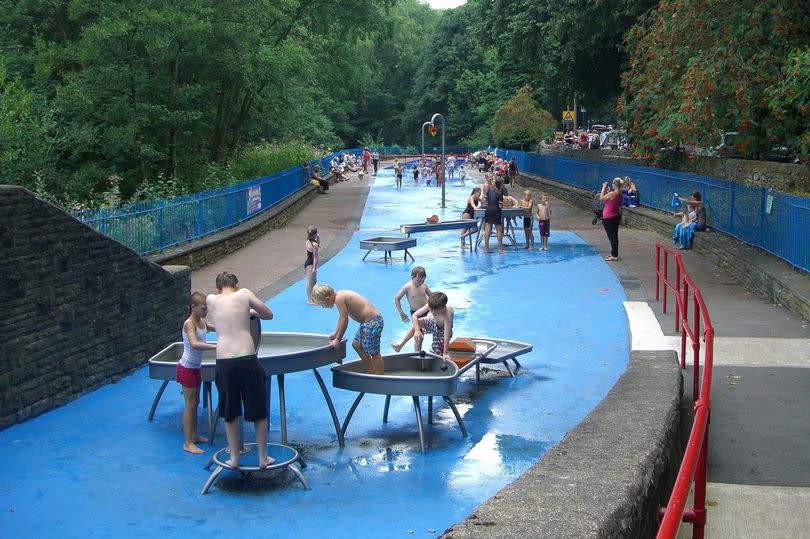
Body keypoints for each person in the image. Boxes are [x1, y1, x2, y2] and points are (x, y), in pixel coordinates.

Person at [206, 272, 274, 468]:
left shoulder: (211, 300)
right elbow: (268, 314)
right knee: (258, 410)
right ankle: (262, 458)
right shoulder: (244, 294)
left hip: (224, 361)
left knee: (230, 410)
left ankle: (234, 457)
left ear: (218, 288)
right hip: (247, 359)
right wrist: (251, 312)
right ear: (236, 284)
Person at [310, 285, 385, 375]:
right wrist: (335, 333)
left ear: (328, 298)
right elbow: (341, 318)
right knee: (356, 344)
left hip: (372, 322)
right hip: (367, 323)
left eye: (322, 304)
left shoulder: (339, 298)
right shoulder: (339, 296)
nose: (323, 307)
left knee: (374, 352)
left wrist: (338, 339)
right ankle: (371, 369)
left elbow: (345, 320)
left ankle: (380, 375)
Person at [177, 292, 216, 454]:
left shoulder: (201, 321)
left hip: (195, 367)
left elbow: (212, 328)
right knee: (190, 405)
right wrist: (216, 347)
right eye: (203, 308)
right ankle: (187, 442)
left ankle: (193, 435)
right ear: (193, 307)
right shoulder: (189, 324)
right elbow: (194, 343)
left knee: (196, 402)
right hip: (186, 368)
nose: (206, 311)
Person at [391, 292, 454, 360]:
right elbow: (415, 315)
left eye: (435, 311)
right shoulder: (430, 305)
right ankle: (400, 345)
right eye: (431, 310)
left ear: (443, 308)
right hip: (433, 321)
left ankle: (439, 352)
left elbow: (446, 335)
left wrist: (445, 353)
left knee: (438, 353)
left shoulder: (447, 314)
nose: (432, 312)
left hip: (443, 330)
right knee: (418, 323)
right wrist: (417, 330)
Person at [599, 177, 624, 261]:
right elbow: (611, 200)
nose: (612, 185)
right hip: (616, 216)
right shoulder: (619, 193)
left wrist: (603, 188)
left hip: (609, 218)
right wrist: (608, 191)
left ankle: (614, 255)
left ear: (615, 184)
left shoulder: (613, 193)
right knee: (614, 235)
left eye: (613, 183)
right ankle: (613, 253)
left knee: (612, 236)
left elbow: (601, 198)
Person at [483, 177, 506, 254]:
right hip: (496, 211)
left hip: (488, 210)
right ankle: (500, 250)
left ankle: (486, 249)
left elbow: (485, 200)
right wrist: (503, 205)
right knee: (499, 230)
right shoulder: (500, 193)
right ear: (501, 184)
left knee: (487, 229)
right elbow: (500, 206)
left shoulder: (490, 190)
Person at [304, 225, 320, 303]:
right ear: (315, 234)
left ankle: (312, 298)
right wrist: (314, 267)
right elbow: (315, 257)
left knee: (314, 281)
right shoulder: (314, 244)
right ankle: (310, 300)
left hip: (308, 261)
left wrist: (317, 237)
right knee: (310, 283)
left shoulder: (308, 241)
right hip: (311, 263)